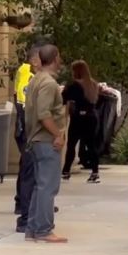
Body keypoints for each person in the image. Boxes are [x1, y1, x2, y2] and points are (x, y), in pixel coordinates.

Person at [24, 44, 68, 243]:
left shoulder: (36, 80)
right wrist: (57, 134)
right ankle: (44, 230)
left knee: (39, 186)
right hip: (45, 140)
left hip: (35, 139)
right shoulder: (49, 84)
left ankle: (32, 228)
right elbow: (44, 114)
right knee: (48, 186)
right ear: (55, 58)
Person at [62, 60, 101, 183]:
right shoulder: (93, 84)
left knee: (71, 144)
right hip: (91, 117)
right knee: (91, 145)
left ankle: (66, 170)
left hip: (78, 118)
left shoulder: (74, 85)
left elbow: (64, 98)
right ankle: (95, 171)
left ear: (76, 71)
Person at [14, 46, 40, 215]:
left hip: (25, 127)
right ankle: (25, 206)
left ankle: (25, 202)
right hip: (28, 129)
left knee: (28, 166)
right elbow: (24, 101)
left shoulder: (29, 73)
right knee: (29, 167)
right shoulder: (26, 73)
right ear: (33, 60)